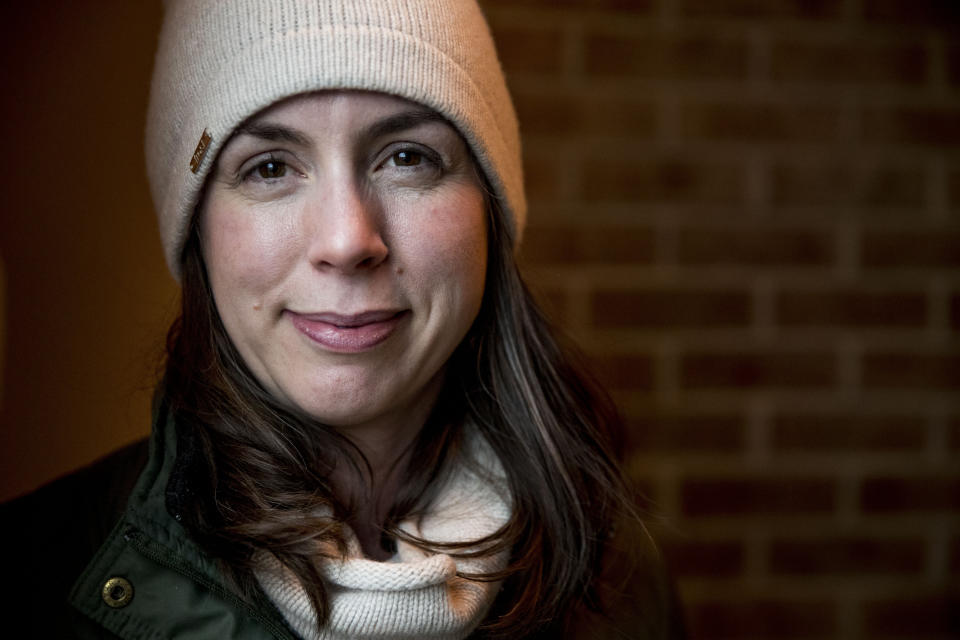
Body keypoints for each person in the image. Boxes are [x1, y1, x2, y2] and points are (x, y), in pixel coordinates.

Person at [2, 1, 684, 638]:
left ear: (491, 213)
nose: (346, 239)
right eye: (270, 167)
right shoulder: (34, 573)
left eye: (408, 157)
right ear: (198, 235)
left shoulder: (619, 584)